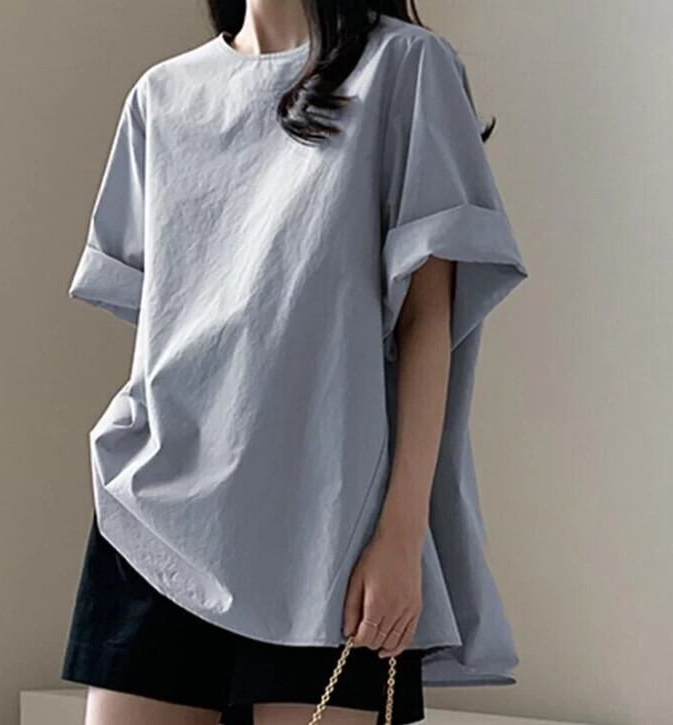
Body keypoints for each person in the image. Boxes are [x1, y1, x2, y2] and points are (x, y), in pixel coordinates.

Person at [61, 2, 529, 725]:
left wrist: (401, 536)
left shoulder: (405, 68)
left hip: (329, 533)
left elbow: (425, 320)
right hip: (155, 518)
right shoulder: (161, 95)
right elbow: (165, 325)